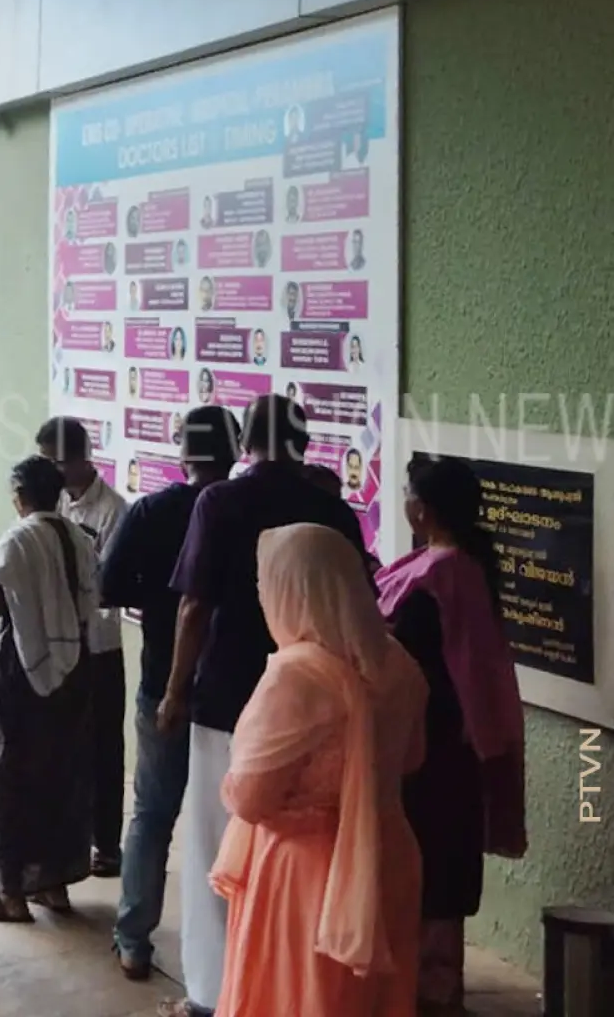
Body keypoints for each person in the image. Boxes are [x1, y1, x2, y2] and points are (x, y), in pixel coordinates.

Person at [156, 394, 367, 1017]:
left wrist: (173, 690)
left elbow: (193, 607)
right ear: (302, 439)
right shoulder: (332, 509)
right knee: (294, 863)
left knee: (217, 850)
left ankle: (211, 991)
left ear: (244, 441)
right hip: (317, 701)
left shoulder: (219, 501)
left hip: (228, 698)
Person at [213, 523, 427, 1017]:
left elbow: (250, 799)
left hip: (311, 873)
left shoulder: (298, 674)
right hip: (387, 853)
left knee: (301, 999)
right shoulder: (396, 662)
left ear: (293, 590)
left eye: (267, 585)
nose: (265, 598)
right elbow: (413, 758)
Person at [379, 456, 528, 1012]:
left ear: (421, 509)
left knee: (433, 882)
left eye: (407, 494)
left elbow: (426, 664)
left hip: (435, 754)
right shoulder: (440, 567)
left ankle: (432, 999)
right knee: (432, 880)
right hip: (433, 750)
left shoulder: (444, 577)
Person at [99, 404, 240, 981]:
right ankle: (232, 952)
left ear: (184, 454)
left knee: (153, 813)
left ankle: (134, 938)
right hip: (238, 691)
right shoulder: (248, 509)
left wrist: (154, 597)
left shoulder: (152, 510)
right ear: (232, 453)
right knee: (232, 821)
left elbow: (109, 583)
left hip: (163, 681)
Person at [0, 456, 100, 923]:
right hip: (75, 667)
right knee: (61, 773)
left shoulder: (18, 539)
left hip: (21, 668)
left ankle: (10, 893)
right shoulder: (78, 538)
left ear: (19, 495)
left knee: (9, 775)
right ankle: (54, 884)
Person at [37, 417, 129, 878]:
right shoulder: (48, 504)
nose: (48, 471)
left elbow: (106, 585)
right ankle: (66, 842)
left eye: (53, 461)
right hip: (58, 644)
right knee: (60, 746)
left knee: (103, 749)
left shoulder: (113, 511)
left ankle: (106, 845)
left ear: (78, 459)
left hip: (98, 647)